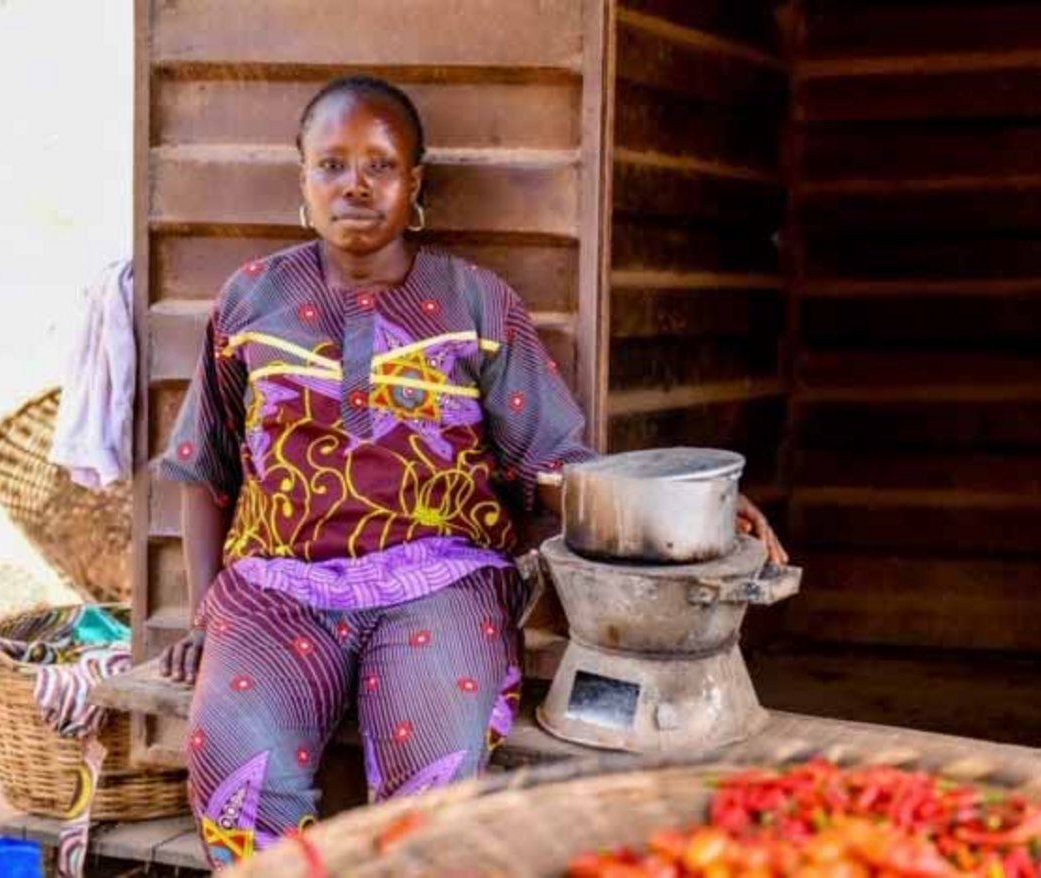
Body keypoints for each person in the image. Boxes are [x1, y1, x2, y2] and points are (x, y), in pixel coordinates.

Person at [155, 75, 786, 867]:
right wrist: (203, 608)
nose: (355, 184)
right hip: (276, 589)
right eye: (332, 165)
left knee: (435, 790)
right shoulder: (251, 299)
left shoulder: (476, 303)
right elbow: (205, 469)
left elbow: (553, 465)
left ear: (414, 183)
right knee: (239, 782)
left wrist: (685, 512)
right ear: (302, 179)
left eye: (380, 166)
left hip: (442, 584)